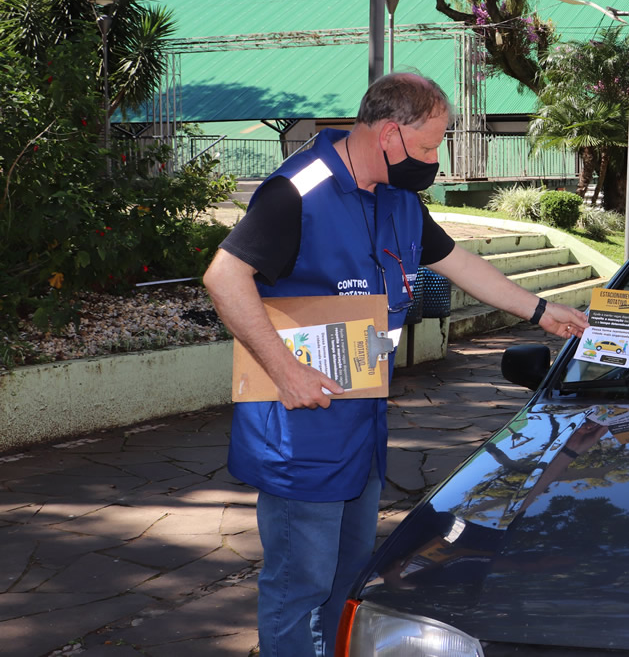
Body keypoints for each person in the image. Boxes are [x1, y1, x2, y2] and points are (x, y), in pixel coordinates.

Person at [203, 72, 588, 657]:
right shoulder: (298, 191)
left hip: (361, 424)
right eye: (429, 146)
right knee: (298, 585)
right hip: (300, 429)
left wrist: (539, 310)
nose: (435, 160)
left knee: (350, 578)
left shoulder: (399, 197)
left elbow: (458, 262)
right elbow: (224, 276)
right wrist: (284, 369)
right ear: (388, 134)